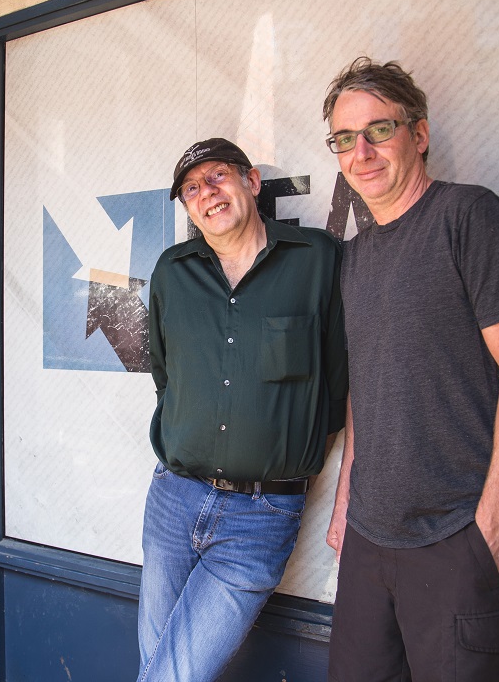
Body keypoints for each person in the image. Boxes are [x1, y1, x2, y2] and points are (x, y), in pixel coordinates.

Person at [321, 57, 499, 681]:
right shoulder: (354, 258)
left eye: (379, 130)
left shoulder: (471, 219)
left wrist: (491, 533)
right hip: (370, 541)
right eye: (345, 138)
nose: (361, 151)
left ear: (418, 136)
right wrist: (345, 499)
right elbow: (366, 387)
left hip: (457, 537)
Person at [138, 138, 348, 682]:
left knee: (175, 673)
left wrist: (282, 453)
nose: (207, 194)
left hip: (262, 515)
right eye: (191, 189)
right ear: (186, 207)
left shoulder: (316, 259)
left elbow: (338, 383)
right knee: (159, 666)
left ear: (251, 182)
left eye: (217, 177)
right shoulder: (172, 271)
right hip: (173, 499)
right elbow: (165, 375)